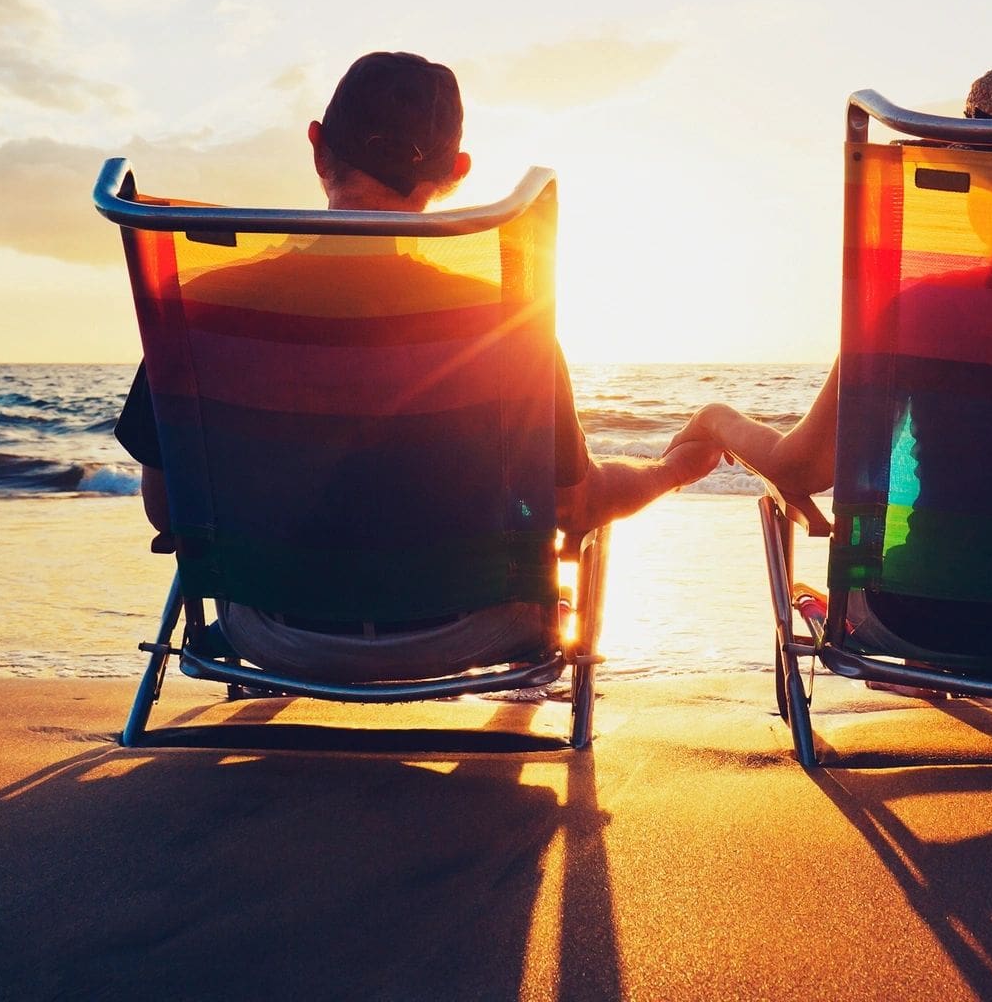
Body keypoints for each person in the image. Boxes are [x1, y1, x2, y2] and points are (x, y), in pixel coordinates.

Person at [116, 51, 719, 681]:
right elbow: (572, 507)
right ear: (456, 172)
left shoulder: (204, 310)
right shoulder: (503, 322)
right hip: (472, 634)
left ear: (319, 148)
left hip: (270, 636)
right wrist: (671, 471)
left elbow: (168, 510)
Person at [671, 51, 992, 665]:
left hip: (925, 618)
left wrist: (718, 420)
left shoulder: (923, 306)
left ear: (983, 182)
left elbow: (802, 471)